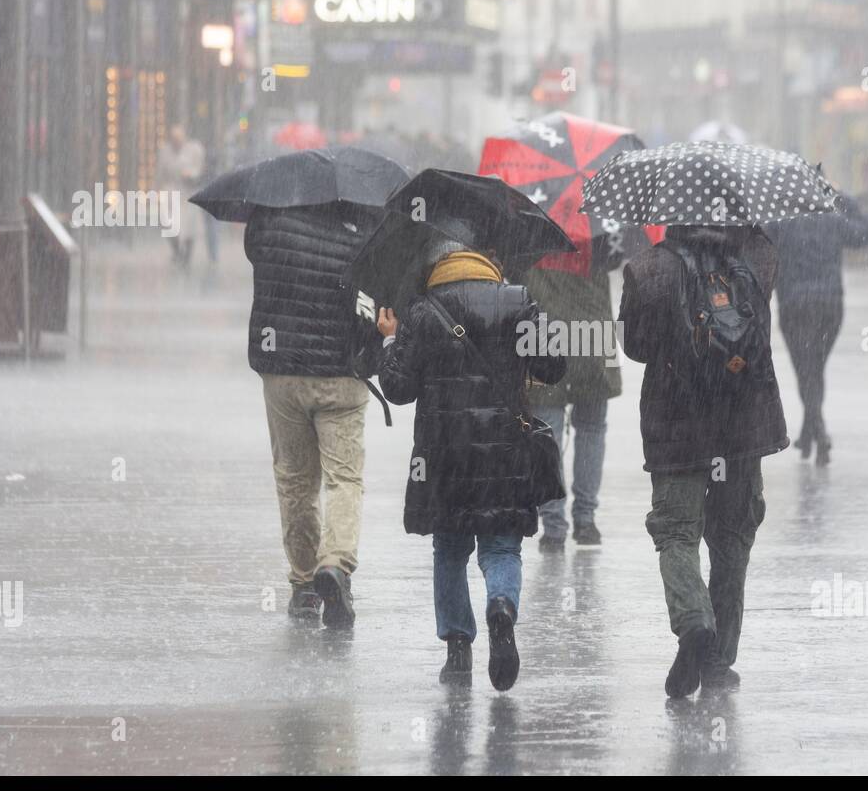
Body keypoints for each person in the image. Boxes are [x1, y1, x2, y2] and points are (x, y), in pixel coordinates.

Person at [377, 239, 565, 690]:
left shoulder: (421, 311)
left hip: (445, 455)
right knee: (501, 548)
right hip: (505, 449)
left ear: (437, 266)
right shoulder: (518, 300)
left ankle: (458, 649)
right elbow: (554, 365)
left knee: (450, 550)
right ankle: (501, 605)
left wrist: (388, 340)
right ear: (487, 263)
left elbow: (398, 388)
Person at [619, 223, 785, 698]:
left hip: (677, 425)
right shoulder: (757, 259)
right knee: (732, 534)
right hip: (743, 422)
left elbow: (637, 347)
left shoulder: (648, 268)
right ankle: (718, 657)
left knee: (676, 531)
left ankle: (694, 621)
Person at [245, 204, 386, 630]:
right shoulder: (365, 231)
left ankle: (304, 584)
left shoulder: (270, 222)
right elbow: (379, 294)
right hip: (341, 373)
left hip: (283, 369)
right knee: (344, 477)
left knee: (294, 479)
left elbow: (253, 250)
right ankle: (336, 565)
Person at [772, 193, 868, 465]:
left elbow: (758, 242)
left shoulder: (782, 222)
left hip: (794, 305)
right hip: (829, 306)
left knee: (806, 371)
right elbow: (866, 236)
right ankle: (811, 432)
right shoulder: (834, 220)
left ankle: (818, 432)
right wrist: (849, 204)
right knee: (814, 369)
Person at [524, 263, 621, 550]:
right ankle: (586, 520)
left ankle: (553, 527)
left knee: (546, 435)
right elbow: (615, 262)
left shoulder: (532, 232)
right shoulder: (599, 232)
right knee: (592, 429)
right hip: (593, 335)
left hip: (543, 338)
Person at [155, 124, 206, 268]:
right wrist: (156, 191)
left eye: (179, 138)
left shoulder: (194, 150)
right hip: (171, 193)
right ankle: (177, 250)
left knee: (190, 227)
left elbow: (199, 170)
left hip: (188, 193)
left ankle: (187, 256)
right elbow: (160, 173)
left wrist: (191, 176)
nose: (176, 141)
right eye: (174, 138)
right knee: (168, 223)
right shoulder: (165, 152)